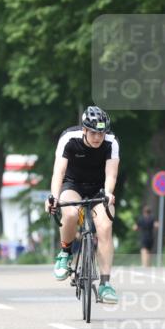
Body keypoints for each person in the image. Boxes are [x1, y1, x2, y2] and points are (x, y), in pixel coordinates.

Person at [45, 105, 119, 304]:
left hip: (99, 189)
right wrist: (53, 197)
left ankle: (105, 284)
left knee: (105, 226)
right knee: (69, 214)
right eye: (93, 133)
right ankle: (65, 253)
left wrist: (109, 193)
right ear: (84, 130)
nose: (97, 137)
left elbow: (111, 174)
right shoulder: (69, 138)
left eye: (101, 133)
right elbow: (58, 172)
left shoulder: (111, 142)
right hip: (73, 184)